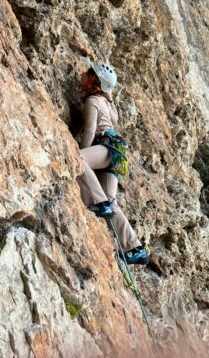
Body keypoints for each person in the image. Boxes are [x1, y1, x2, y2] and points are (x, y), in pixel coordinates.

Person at [75, 61, 149, 265]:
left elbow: (90, 131)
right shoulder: (106, 103)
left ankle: (98, 203)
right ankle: (135, 248)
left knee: (77, 159)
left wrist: (80, 151)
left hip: (106, 147)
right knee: (111, 201)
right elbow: (115, 119)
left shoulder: (93, 100)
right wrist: (109, 94)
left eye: (88, 72)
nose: (83, 74)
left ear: (94, 80)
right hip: (117, 152)